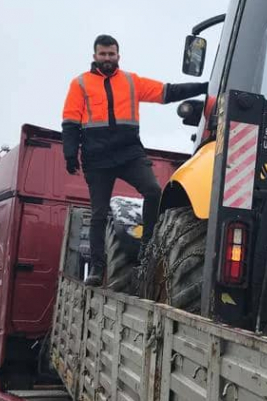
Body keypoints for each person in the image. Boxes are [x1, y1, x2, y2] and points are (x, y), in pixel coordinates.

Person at [62, 34, 207, 286]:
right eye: (103, 54)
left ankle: (147, 249)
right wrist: (69, 152)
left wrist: (204, 86)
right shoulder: (81, 84)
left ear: (118, 55)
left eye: (111, 54)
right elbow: (70, 120)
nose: (107, 58)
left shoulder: (130, 81)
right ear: (95, 56)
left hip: (129, 152)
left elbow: (167, 92)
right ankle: (97, 269)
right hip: (97, 158)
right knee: (98, 214)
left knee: (153, 191)